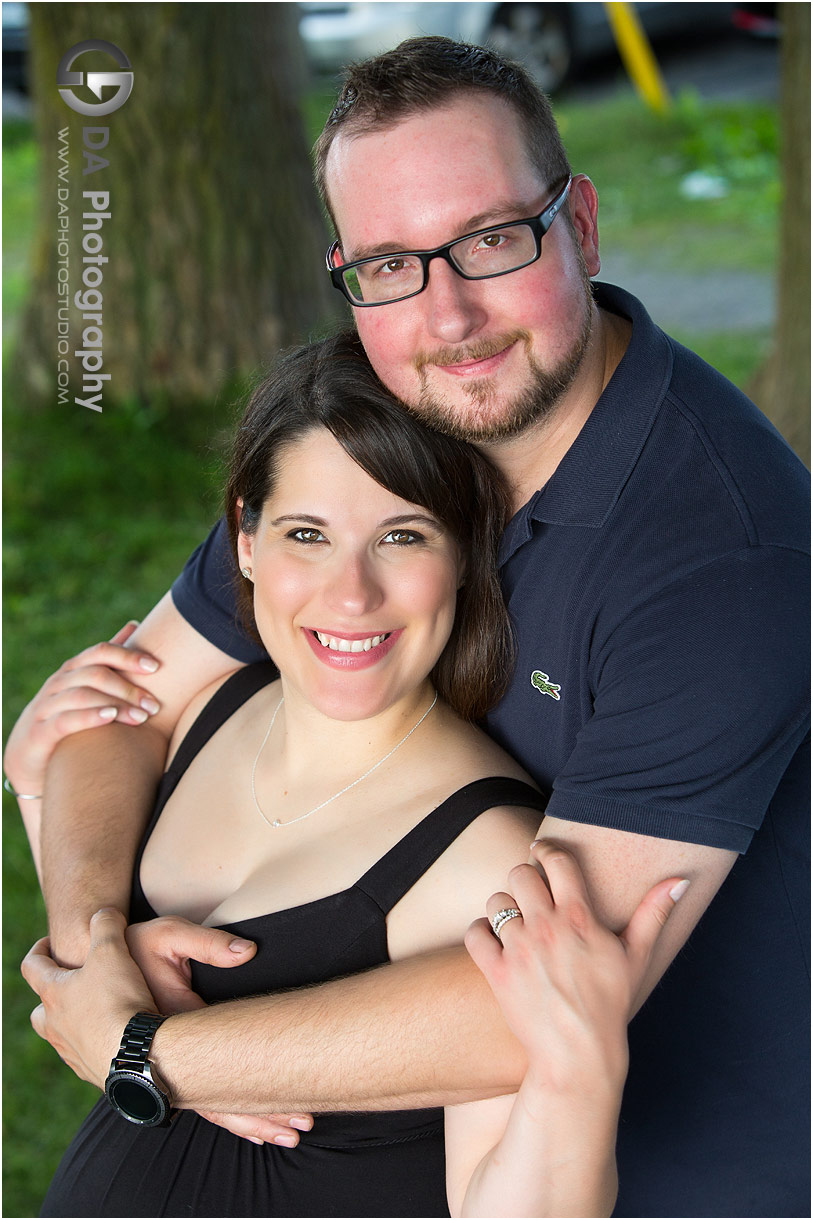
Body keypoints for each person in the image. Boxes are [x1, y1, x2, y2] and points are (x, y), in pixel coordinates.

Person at [7, 35, 809, 1218]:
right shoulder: (393, 420)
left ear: (579, 225)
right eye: (388, 264)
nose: (449, 316)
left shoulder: (718, 557)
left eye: (491, 240)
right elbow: (107, 714)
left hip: (658, 1165)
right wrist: (96, 939)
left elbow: (523, 1000)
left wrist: (145, 1054)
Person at [18, 332, 683, 1218]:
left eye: (401, 536)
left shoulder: (487, 861)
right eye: (307, 534)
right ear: (244, 543)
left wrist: (581, 1067)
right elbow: (88, 759)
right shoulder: (206, 710)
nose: (351, 595)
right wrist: (94, 929)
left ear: (462, 555)